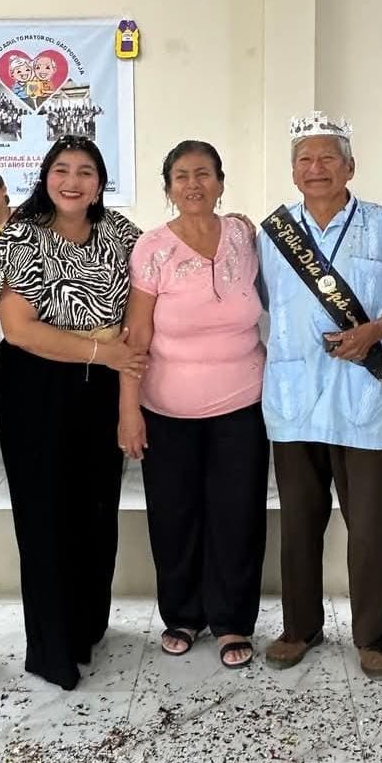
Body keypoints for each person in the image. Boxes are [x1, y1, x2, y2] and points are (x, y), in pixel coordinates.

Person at [258, 111, 382, 681]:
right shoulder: (271, 234)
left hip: (362, 396)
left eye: (328, 157)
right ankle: (299, 627)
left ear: (350, 167)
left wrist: (374, 331)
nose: (316, 168)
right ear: (293, 171)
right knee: (298, 524)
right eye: (305, 159)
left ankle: (372, 637)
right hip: (295, 397)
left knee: (369, 528)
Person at [0, 135, 145, 690]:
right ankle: (52, 648)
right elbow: (19, 329)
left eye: (85, 171)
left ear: (100, 183)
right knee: (46, 513)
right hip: (37, 385)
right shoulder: (21, 235)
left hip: (101, 387)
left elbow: (143, 307)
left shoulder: (122, 234)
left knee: (96, 507)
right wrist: (101, 350)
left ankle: (86, 627)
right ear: (45, 177)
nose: (72, 181)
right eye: (61, 169)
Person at [119, 141, 267, 670]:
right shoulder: (152, 248)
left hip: (242, 405)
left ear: (221, 183)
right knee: (174, 515)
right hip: (167, 410)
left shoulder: (244, 237)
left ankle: (232, 620)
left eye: (204, 174)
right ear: (168, 188)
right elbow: (136, 335)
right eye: (181, 176)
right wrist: (129, 410)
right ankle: (182, 614)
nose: (193, 184)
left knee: (238, 515)